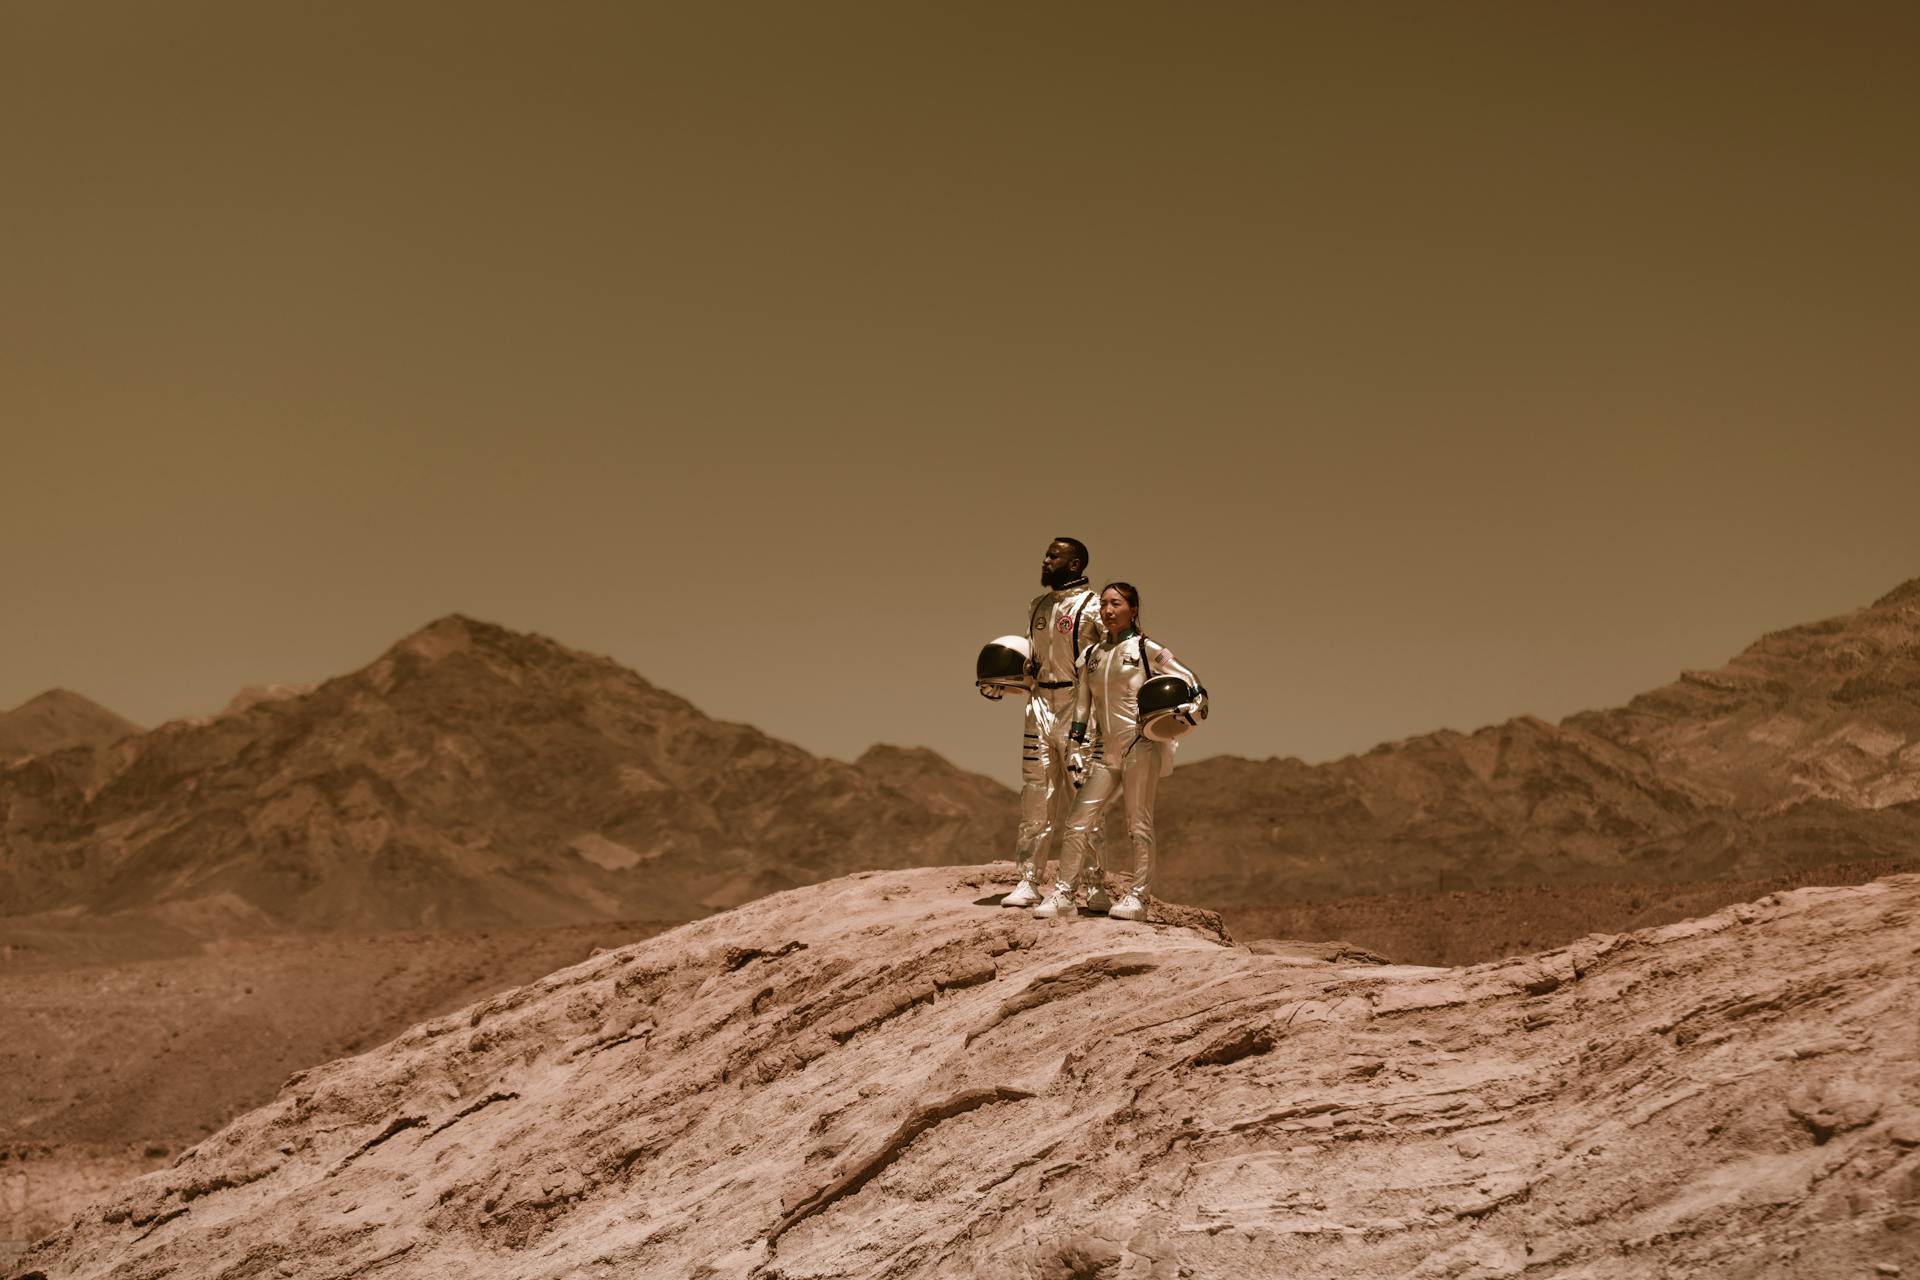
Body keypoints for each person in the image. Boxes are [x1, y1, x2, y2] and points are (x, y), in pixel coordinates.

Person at [1035, 581, 1207, 922]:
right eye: (1103, 605)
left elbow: (1188, 678)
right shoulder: (1092, 656)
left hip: (1140, 747)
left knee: (1138, 824)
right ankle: (1064, 894)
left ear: (1133, 610)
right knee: (1077, 822)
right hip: (1103, 752)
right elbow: (1083, 704)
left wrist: (1194, 705)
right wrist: (1074, 742)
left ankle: (1137, 898)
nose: (1108, 611)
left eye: (1115, 604)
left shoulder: (1147, 649)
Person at [981, 537, 1108, 909]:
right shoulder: (1037, 606)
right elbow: (1029, 659)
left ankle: (1095, 884)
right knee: (1036, 795)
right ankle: (1028, 880)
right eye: (1046, 554)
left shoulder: (1095, 606)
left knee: (1085, 797)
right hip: (1039, 705)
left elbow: (1113, 658)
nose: (1045, 559)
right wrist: (1004, 680)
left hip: (1079, 706)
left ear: (1074, 564)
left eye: (1053, 556)